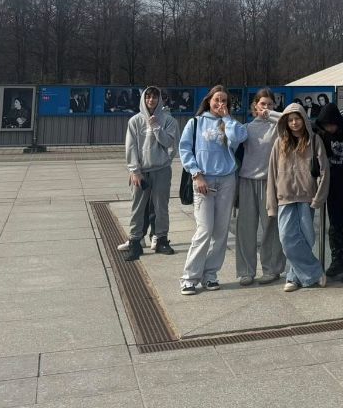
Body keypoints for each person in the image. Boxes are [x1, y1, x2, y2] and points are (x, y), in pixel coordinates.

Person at [178, 85, 248, 295]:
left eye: (224, 100)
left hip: (227, 179)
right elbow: (184, 149)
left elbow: (240, 138)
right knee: (204, 229)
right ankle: (189, 277)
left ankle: (210, 274)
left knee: (220, 230)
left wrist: (227, 118)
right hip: (204, 180)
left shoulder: (230, 123)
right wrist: (196, 174)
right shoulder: (196, 122)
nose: (220, 104)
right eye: (217, 99)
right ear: (209, 100)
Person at [266, 103, 329, 292]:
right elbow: (272, 173)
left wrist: (319, 197)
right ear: (286, 122)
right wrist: (271, 203)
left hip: (307, 196)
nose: (294, 123)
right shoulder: (279, 142)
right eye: (290, 120)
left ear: (304, 119)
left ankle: (293, 278)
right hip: (284, 197)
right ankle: (316, 271)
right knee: (286, 239)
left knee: (306, 239)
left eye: (297, 119)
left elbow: (324, 170)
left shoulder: (314, 140)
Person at [120, 86, 179, 260]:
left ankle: (161, 239)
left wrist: (156, 127)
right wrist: (134, 170)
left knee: (161, 207)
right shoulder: (135, 121)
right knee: (137, 207)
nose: (151, 100)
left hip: (161, 170)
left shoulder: (169, 121)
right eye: (148, 97)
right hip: (141, 172)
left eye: (154, 97)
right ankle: (135, 242)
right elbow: (131, 147)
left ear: (159, 99)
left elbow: (169, 143)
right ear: (143, 99)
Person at [235, 88, 285, 287]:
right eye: (262, 104)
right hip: (247, 180)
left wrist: (271, 114)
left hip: (270, 182)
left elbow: (291, 120)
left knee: (271, 227)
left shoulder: (278, 127)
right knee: (246, 228)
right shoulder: (246, 128)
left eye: (270, 104)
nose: (266, 107)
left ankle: (271, 269)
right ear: (255, 105)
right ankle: (246, 271)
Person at [315, 103, 343, 281]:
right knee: (334, 227)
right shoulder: (322, 135)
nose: (330, 128)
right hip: (332, 188)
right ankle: (337, 261)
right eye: (326, 125)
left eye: (332, 124)